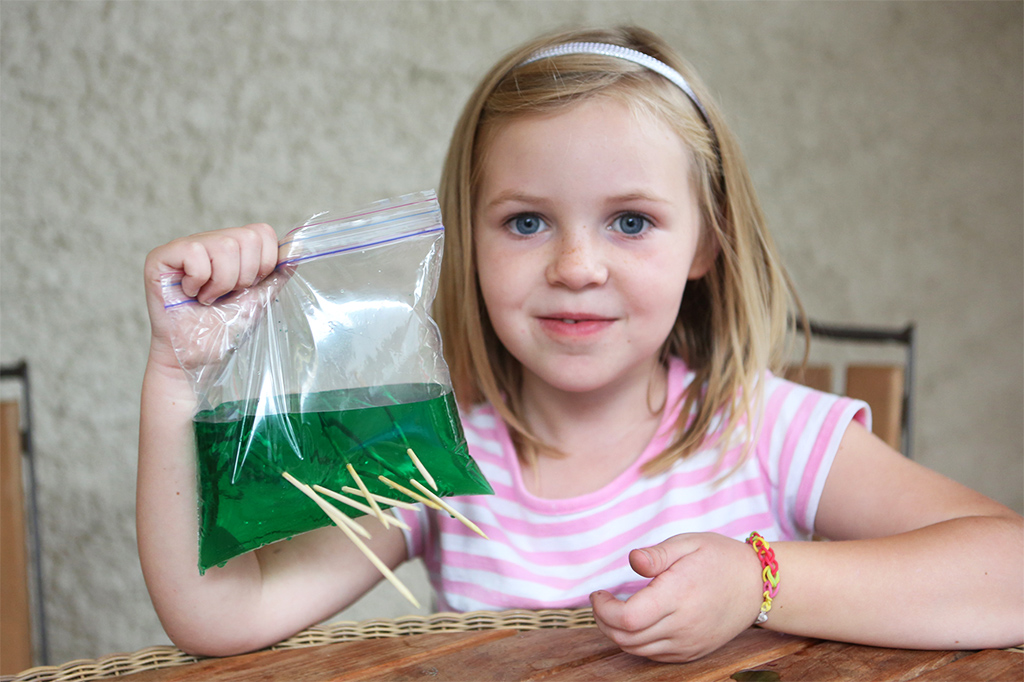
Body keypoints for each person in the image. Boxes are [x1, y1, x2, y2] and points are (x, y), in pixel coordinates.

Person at [138, 26, 1023, 662]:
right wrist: (178, 373)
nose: (575, 265)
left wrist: (758, 584)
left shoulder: (764, 430)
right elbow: (220, 612)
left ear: (706, 241)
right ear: (468, 243)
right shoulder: (437, 461)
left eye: (630, 221)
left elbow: (1008, 572)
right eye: (526, 221)